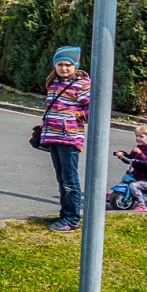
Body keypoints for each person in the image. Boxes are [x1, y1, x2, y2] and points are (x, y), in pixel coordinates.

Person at [40, 46, 91, 232]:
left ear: (75, 65)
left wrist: (75, 116)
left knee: (70, 180)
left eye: (68, 65)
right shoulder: (54, 83)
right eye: (60, 64)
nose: (64, 68)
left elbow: (92, 109)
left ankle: (72, 218)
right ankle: (65, 214)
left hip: (69, 138)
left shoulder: (82, 84)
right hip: (54, 137)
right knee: (62, 179)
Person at [114, 125, 147, 212]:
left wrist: (141, 154)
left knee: (133, 185)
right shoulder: (139, 148)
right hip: (141, 177)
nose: (137, 138)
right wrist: (122, 155)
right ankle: (118, 194)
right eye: (137, 136)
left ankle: (142, 205)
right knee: (126, 179)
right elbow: (130, 159)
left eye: (141, 136)